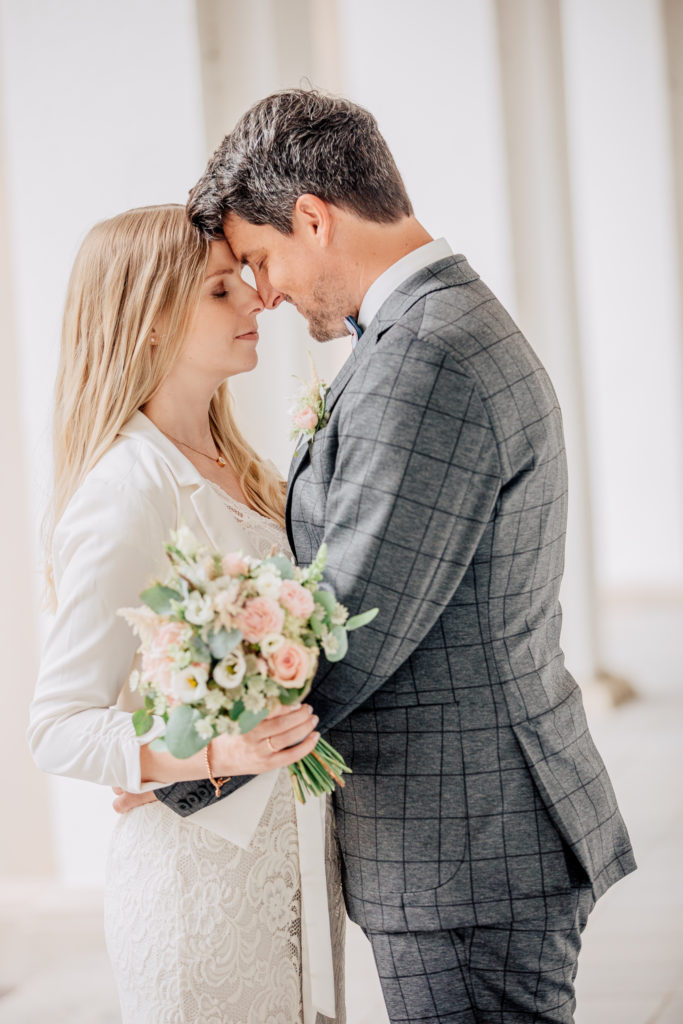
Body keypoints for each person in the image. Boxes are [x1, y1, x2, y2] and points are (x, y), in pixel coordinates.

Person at [119, 90, 637, 1023]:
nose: (263, 292)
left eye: (261, 258)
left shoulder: (424, 357)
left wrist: (184, 769)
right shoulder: (432, 327)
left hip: (467, 848)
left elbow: (356, 620)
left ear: (314, 217)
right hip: (474, 831)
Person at [27, 204, 346, 1024]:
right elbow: (58, 725)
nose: (252, 300)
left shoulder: (241, 466)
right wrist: (208, 751)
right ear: (146, 324)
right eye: (217, 289)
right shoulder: (125, 488)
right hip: (195, 893)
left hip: (294, 870)